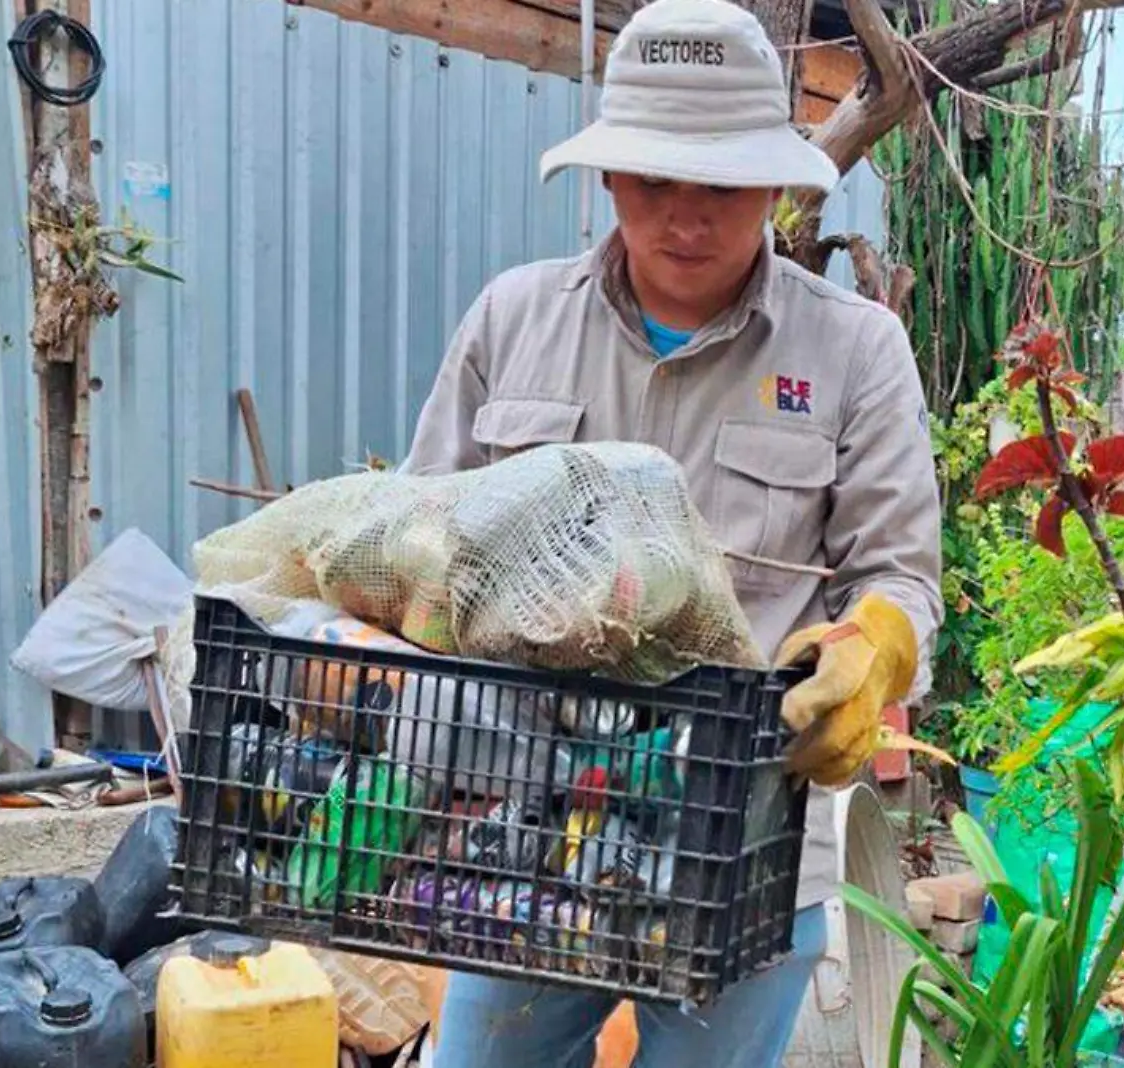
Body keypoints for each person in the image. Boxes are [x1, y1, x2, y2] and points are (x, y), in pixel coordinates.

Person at [399, 0, 942, 1062]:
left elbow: (899, 576)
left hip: (743, 838)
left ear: (777, 185)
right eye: (655, 181)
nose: (686, 218)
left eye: (723, 187)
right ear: (608, 177)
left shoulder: (855, 352)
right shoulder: (512, 322)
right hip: (521, 826)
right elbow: (420, 533)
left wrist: (872, 650)